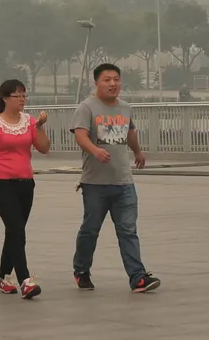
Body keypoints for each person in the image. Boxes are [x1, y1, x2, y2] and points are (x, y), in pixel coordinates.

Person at [71, 64, 161, 294]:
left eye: (116, 80)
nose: (113, 84)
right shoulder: (86, 107)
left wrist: (138, 152)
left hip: (123, 182)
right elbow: (80, 135)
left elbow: (130, 132)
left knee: (128, 230)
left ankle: (137, 277)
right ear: (97, 83)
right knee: (90, 229)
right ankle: (81, 270)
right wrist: (95, 150)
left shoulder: (125, 108)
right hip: (95, 183)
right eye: (107, 80)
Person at [0, 78, 49, 298]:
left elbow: (44, 148)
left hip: (26, 184)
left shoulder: (29, 122)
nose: (22, 99)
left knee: (14, 231)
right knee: (17, 231)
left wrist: (39, 128)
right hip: (3, 184)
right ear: (5, 98)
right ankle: (25, 280)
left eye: (24, 95)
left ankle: (3, 277)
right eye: (17, 95)